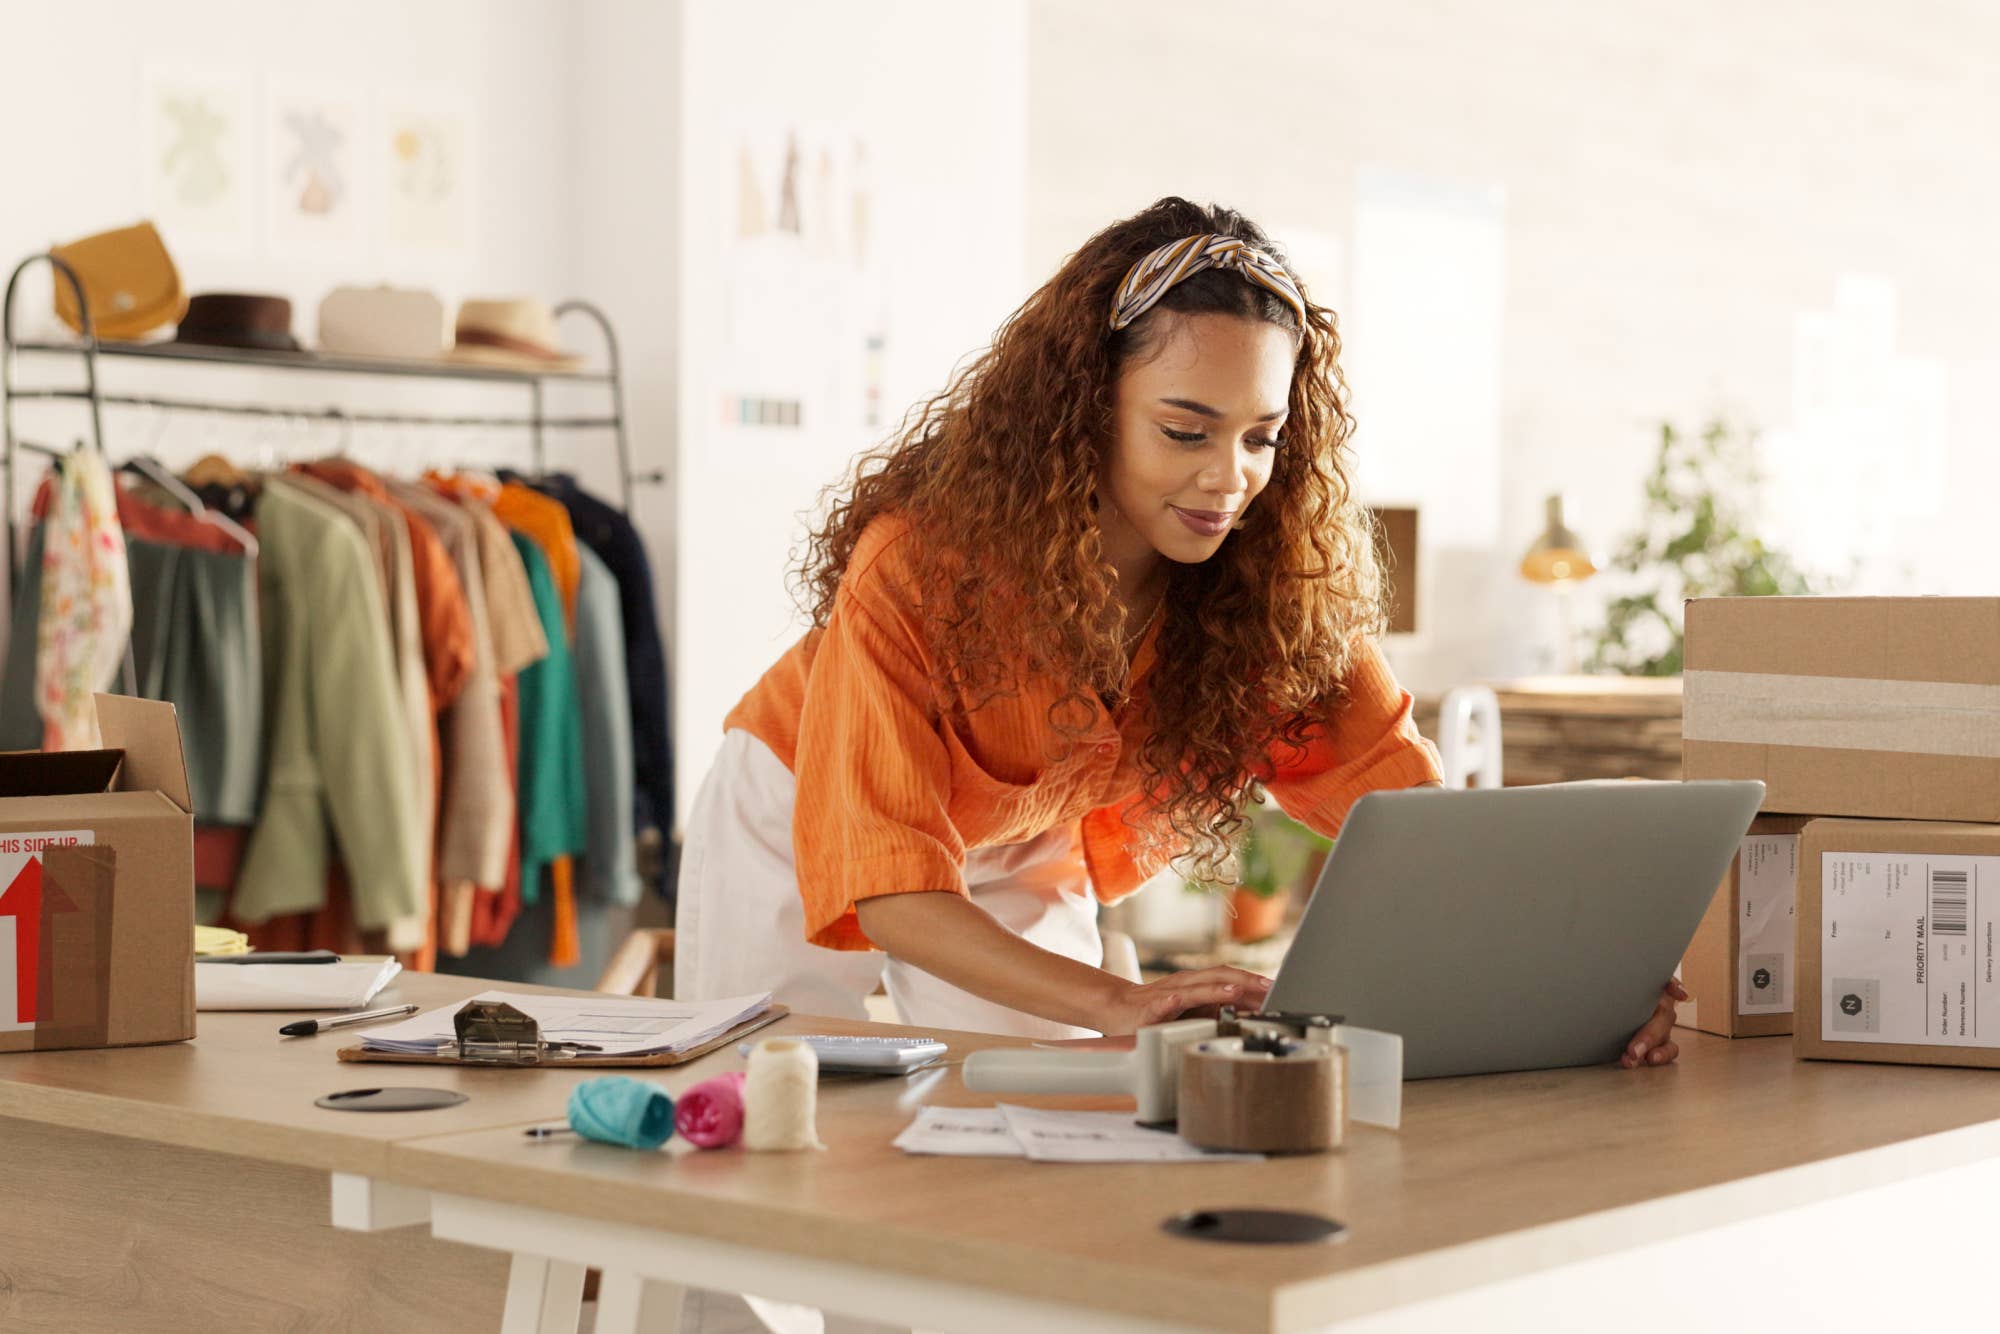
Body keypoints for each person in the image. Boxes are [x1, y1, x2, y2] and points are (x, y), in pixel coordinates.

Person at [677, 196, 1683, 1068]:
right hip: (797, 800)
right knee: (759, 1097)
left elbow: (1412, 818)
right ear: (1084, 407)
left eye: (1261, 437)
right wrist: (1120, 998)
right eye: (1184, 430)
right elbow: (892, 887)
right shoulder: (916, 564)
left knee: (1049, 1117)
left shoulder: (1271, 591)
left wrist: (1581, 969)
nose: (1228, 478)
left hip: (1017, 837)